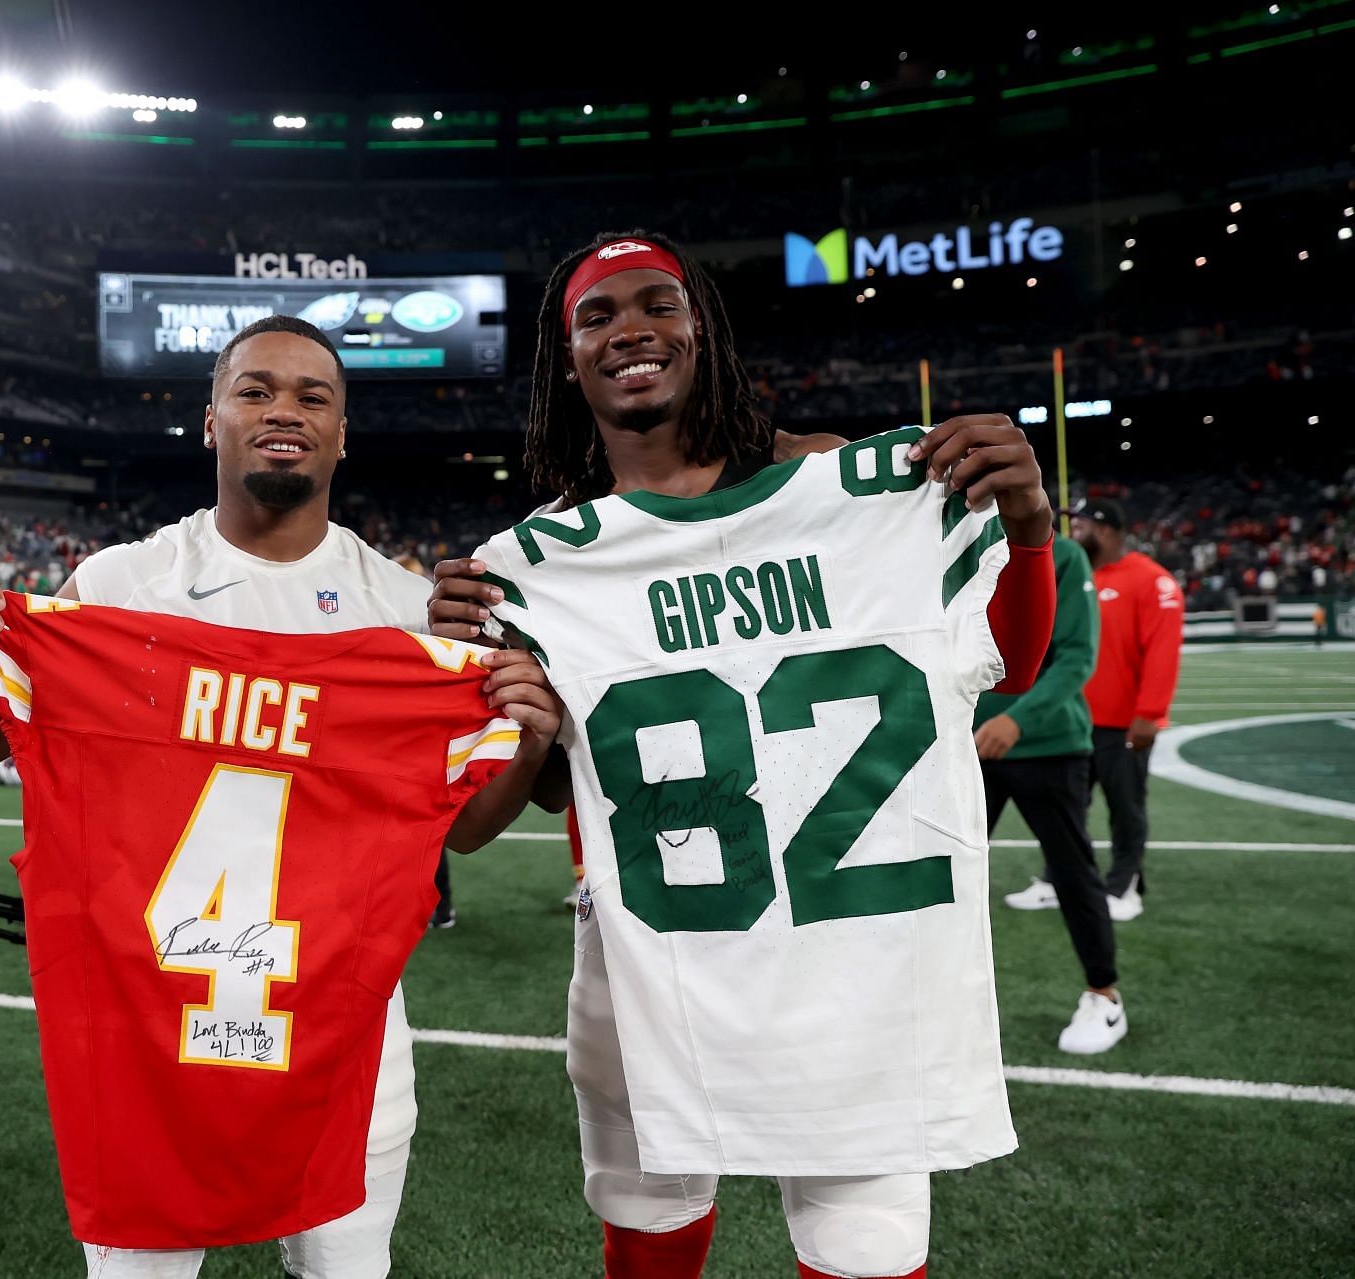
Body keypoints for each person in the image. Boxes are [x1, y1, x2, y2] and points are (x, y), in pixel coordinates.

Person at [429, 232, 1057, 1279]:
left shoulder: (864, 489)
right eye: (596, 315)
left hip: (860, 959)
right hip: (653, 964)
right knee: (648, 1224)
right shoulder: (536, 565)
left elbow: (1010, 665)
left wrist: (1030, 528)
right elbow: (520, 797)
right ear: (565, 360)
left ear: (703, 328)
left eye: (657, 304)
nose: (630, 329)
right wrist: (497, 685)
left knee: (865, 1251)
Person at [0, 315, 562, 1278]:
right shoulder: (119, 585)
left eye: (312, 395)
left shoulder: (405, 607)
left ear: (344, 432)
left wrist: (527, 739)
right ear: (210, 419)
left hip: (345, 1035)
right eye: (254, 389)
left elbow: (460, 831)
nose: (282, 410)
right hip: (148, 1039)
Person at [980, 533, 1127, 1053]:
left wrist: (1016, 721)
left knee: (1072, 872)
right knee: (939, 873)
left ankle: (1104, 996)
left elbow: (1077, 656)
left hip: (1047, 743)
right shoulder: (934, 542)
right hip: (963, 742)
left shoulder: (1059, 554)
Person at [1070, 497, 1184, 922]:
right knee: (1068, 808)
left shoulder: (1154, 581)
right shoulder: (1077, 574)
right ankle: (1056, 878)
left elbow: (1162, 653)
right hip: (1078, 721)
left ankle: (1125, 883)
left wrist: (1149, 713)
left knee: (1125, 808)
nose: (1073, 534)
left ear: (1104, 531)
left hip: (1124, 725)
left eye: (1080, 527)